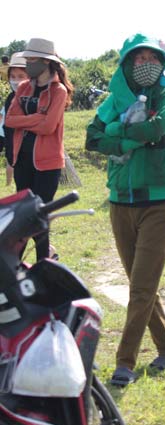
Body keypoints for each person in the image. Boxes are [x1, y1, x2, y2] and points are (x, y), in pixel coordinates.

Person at [85, 33, 165, 386]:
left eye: (152, 58)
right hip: (120, 201)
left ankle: (124, 362)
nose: (146, 65)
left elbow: (157, 128)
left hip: (158, 200)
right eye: (139, 59)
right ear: (126, 63)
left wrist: (119, 135)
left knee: (140, 288)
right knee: (142, 282)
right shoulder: (114, 100)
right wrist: (124, 132)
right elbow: (92, 137)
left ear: (163, 63)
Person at [4, 38, 74, 262]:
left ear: (46, 62)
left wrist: (27, 119)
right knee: (23, 216)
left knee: (39, 216)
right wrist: (37, 118)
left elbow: (48, 127)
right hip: (22, 160)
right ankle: (17, 264)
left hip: (47, 164)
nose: (28, 64)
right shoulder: (24, 87)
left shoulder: (59, 91)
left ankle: (43, 262)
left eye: (32, 60)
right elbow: (10, 121)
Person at [0, 53, 28, 188]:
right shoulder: (10, 98)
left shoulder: (33, 97)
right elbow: (8, 124)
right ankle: (9, 183)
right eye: (13, 77)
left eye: (21, 76)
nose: (16, 81)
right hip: (15, 149)